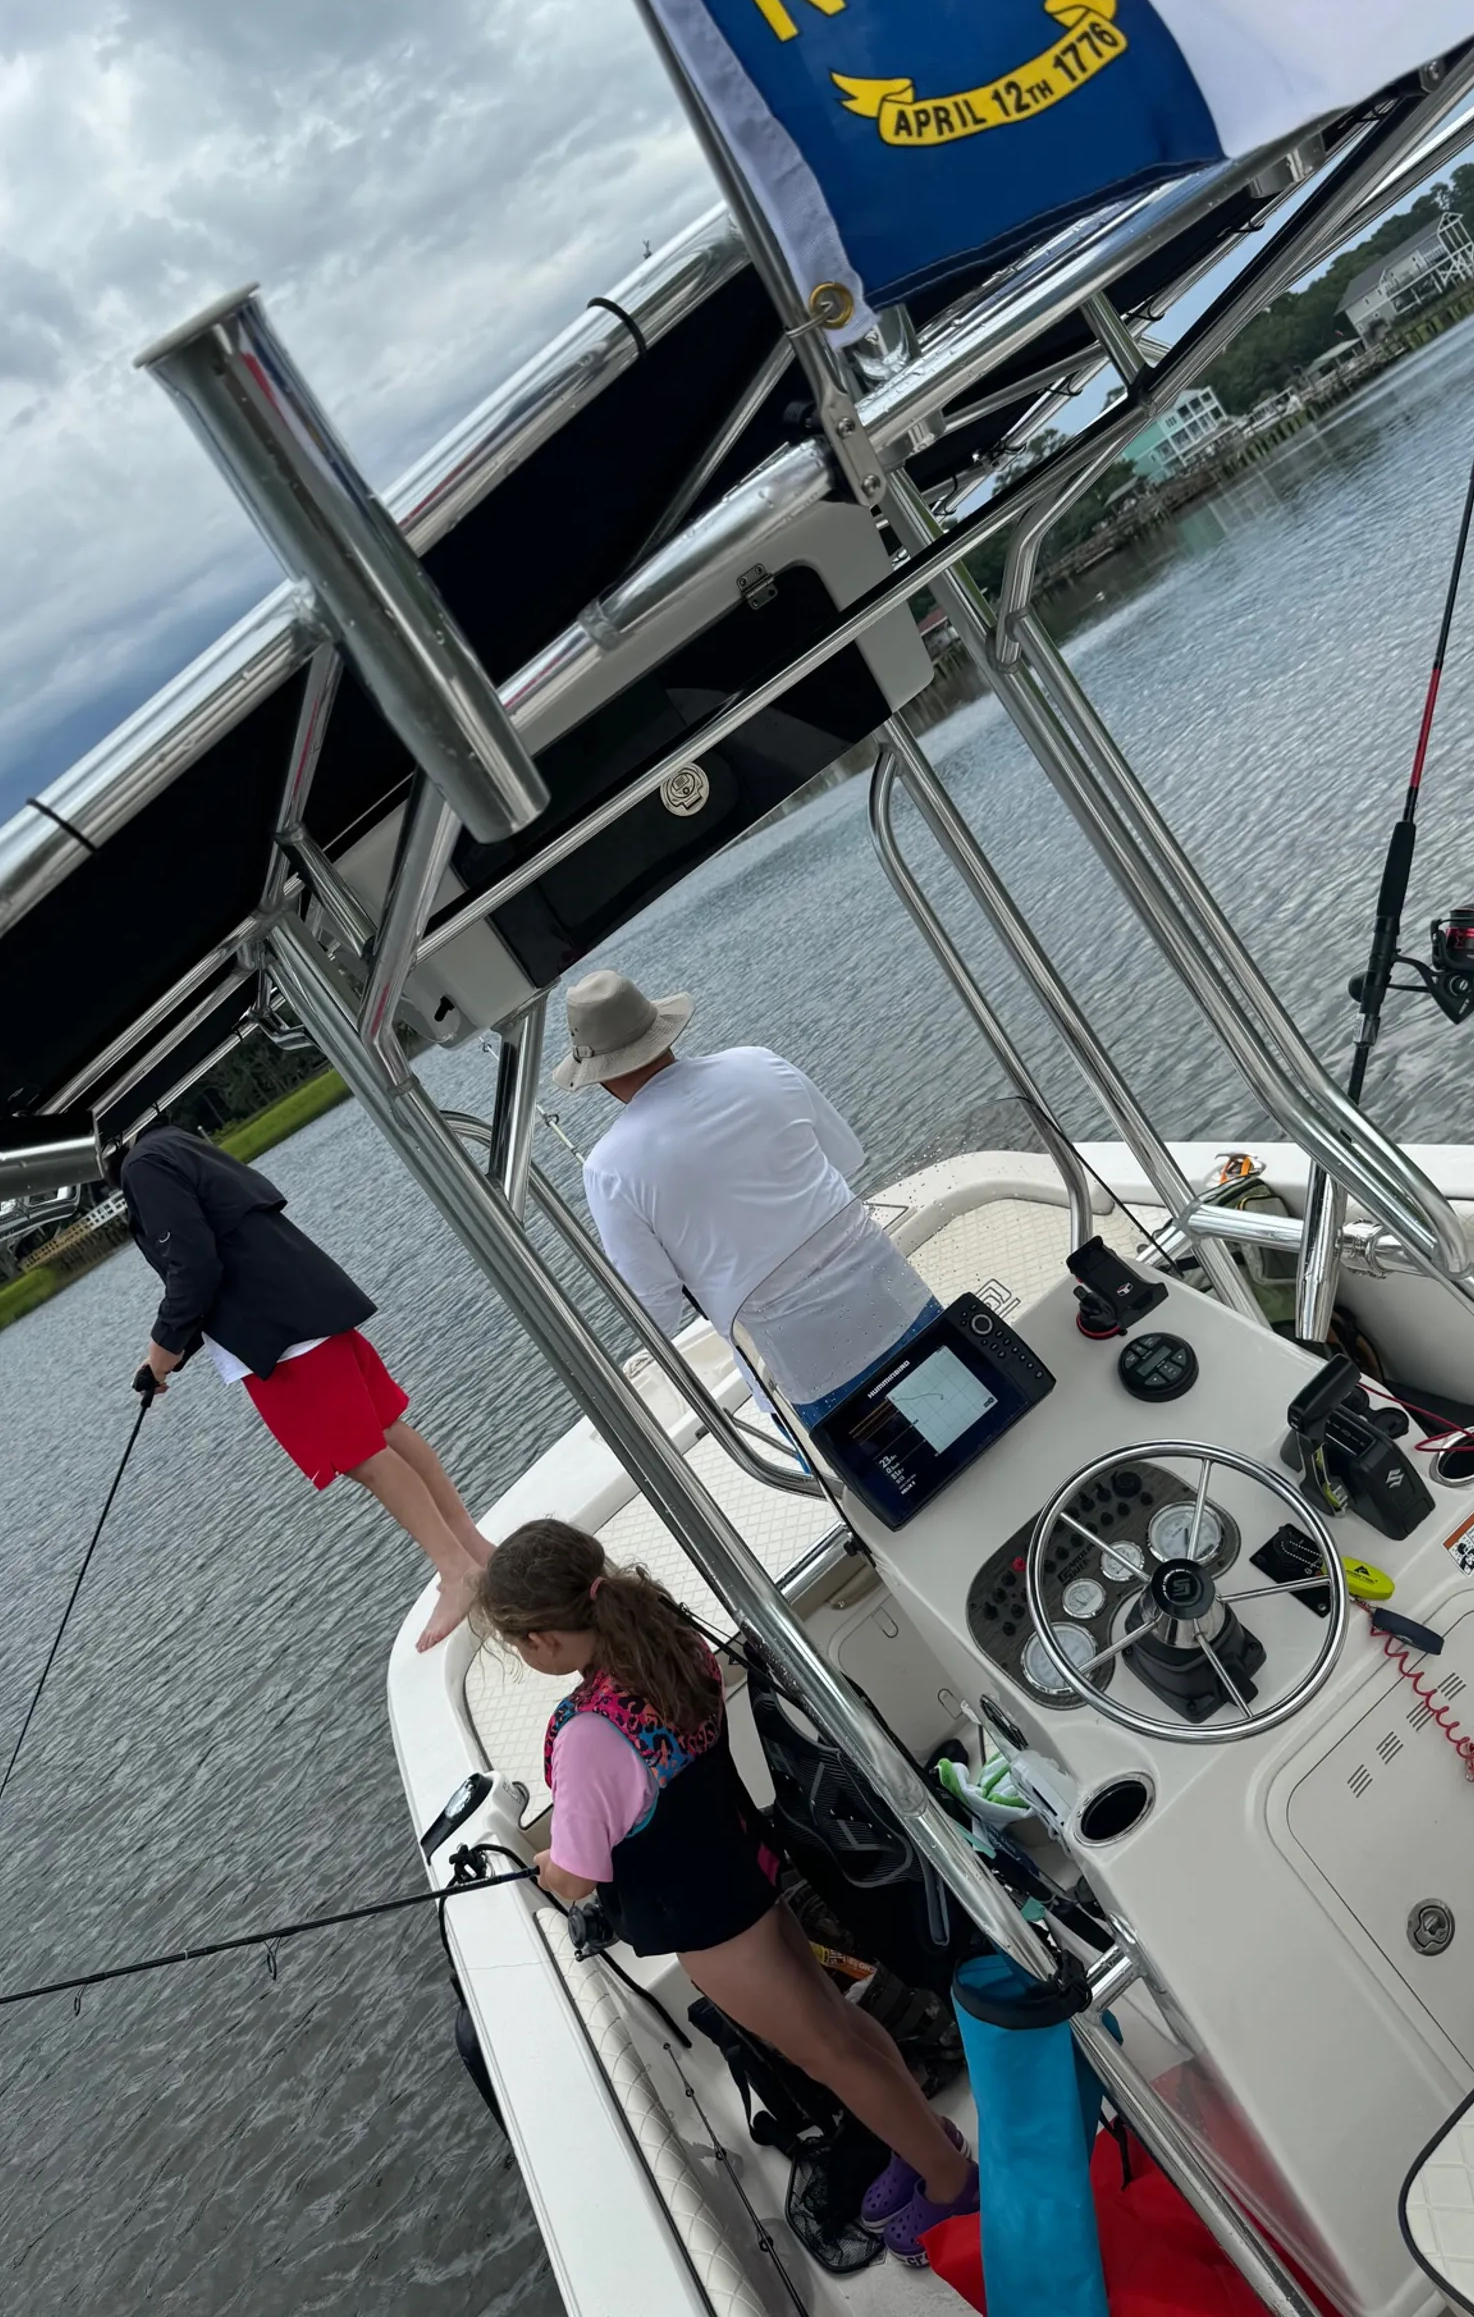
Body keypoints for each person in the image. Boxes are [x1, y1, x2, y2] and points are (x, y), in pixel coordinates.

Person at [477, 1518, 978, 2267]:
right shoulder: (668, 1641)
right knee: (838, 2027)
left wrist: (546, 1867)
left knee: (827, 2053)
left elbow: (577, 1873)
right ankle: (925, 2139)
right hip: (752, 1873)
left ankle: (951, 2182)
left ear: (543, 1640)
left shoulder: (586, 1736)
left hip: (710, 1928)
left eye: (519, 1644)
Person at [110, 1121, 491, 1650]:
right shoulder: (170, 1144)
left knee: (360, 1453)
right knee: (385, 1430)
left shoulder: (142, 1167)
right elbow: (217, 1249)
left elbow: (193, 1265)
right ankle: (471, 1549)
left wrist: (162, 1351)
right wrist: (166, 1358)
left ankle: (457, 1569)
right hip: (308, 1304)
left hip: (278, 1334)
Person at [554, 970, 941, 1427]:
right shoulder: (759, 1063)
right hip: (898, 1300)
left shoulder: (607, 1169)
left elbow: (656, 1307)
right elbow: (847, 1157)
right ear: (660, 1032)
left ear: (599, 1077)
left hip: (805, 1370)